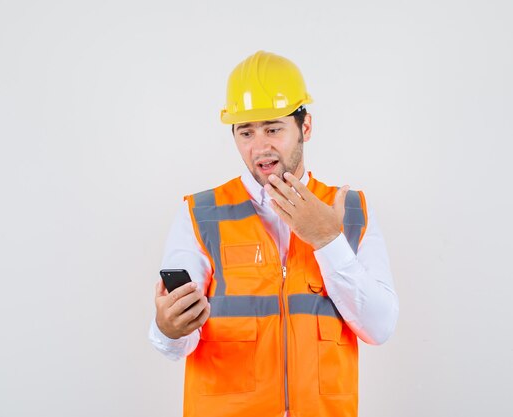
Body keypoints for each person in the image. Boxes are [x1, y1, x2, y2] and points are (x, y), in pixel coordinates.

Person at [149, 50, 399, 417]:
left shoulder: (353, 212)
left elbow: (380, 327)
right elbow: (174, 343)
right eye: (245, 132)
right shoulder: (199, 214)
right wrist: (167, 327)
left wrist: (328, 241)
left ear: (306, 127)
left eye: (273, 128)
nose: (260, 146)